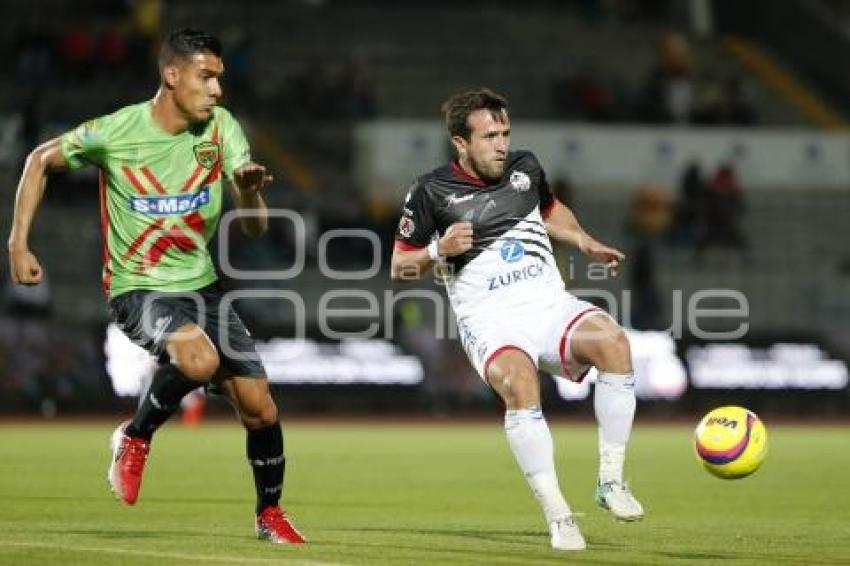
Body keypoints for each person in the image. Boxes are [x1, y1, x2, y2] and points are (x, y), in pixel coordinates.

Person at [7, 28, 305, 545]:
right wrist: (17, 243)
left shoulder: (221, 129)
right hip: (138, 288)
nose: (216, 90)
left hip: (203, 288)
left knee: (261, 407)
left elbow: (255, 227)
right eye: (205, 76)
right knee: (197, 361)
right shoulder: (117, 131)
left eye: (219, 78)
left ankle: (269, 515)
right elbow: (40, 160)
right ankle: (135, 436)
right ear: (172, 75)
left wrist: (251, 195)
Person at [391, 88, 643, 551]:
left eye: (505, 133)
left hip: (548, 305)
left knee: (615, 344)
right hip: (491, 322)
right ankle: (559, 515)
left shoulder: (525, 168)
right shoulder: (429, 191)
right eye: (489, 136)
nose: (502, 144)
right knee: (521, 384)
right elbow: (399, 267)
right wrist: (436, 250)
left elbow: (551, 210)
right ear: (460, 142)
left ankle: (611, 482)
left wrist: (583, 240)